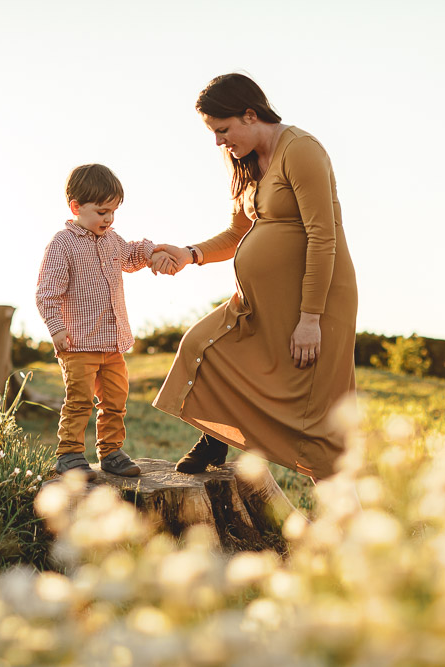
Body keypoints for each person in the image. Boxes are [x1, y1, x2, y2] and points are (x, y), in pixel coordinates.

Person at [152, 73, 359, 484]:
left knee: (316, 421)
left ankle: (346, 527)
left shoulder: (301, 151)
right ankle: (215, 437)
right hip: (260, 302)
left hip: (317, 302)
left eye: (223, 130)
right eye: (213, 132)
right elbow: (237, 233)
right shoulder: (243, 161)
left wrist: (311, 318)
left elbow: (323, 236)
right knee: (201, 345)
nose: (218, 142)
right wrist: (190, 255)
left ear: (251, 115)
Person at [36, 164, 175, 481]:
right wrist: (56, 328)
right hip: (79, 344)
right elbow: (47, 293)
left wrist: (153, 254)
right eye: (102, 211)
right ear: (76, 207)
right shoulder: (63, 244)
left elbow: (132, 253)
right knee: (80, 401)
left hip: (113, 344)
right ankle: (69, 454)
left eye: (113, 211)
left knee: (115, 400)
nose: (109, 218)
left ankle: (111, 452)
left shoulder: (112, 240)